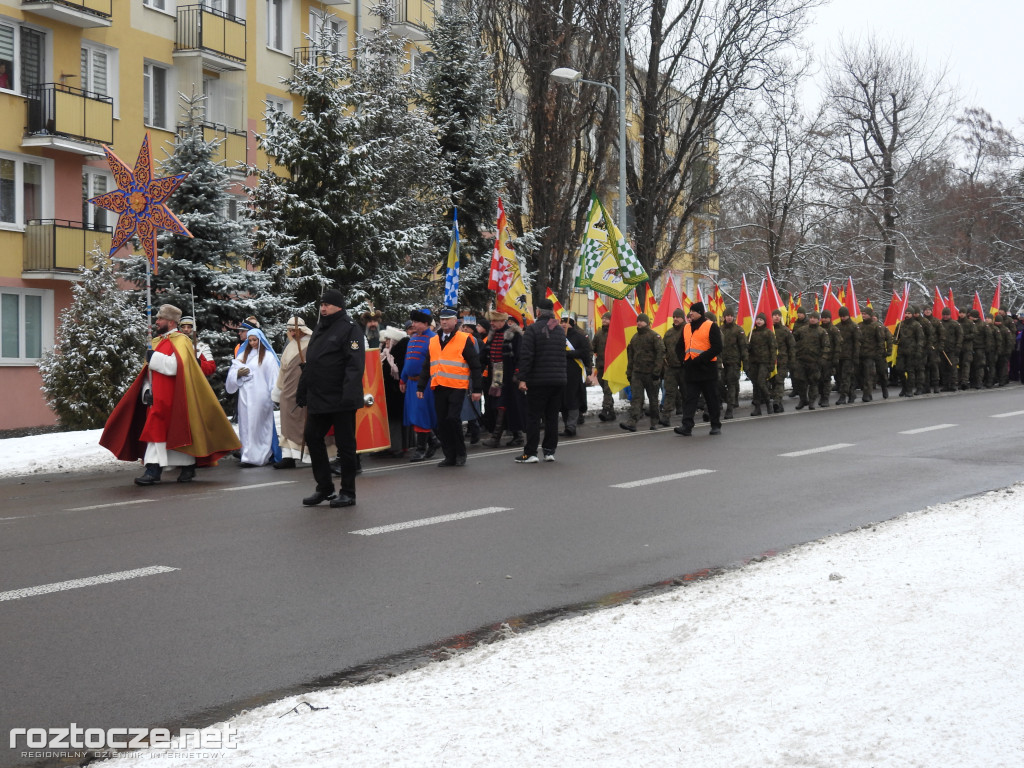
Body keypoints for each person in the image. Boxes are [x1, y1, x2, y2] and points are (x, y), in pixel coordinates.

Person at [100, 304, 239, 485]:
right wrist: (146, 391)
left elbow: (176, 367)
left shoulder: (182, 341)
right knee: (155, 431)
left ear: (171, 322)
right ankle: (153, 469)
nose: (156, 322)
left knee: (178, 432)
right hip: (157, 398)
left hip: (176, 397)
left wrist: (154, 358)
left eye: (160, 319)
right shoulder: (156, 342)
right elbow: (147, 374)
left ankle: (187, 468)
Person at [297, 289, 365, 508]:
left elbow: (354, 365)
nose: (323, 308)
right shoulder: (321, 327)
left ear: (338, 306)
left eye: (327, 305)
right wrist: (303, 389)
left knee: (345, 446)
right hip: (319, 397)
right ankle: (324, 487)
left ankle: (348, 492)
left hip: (341, 398)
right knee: (312, 437)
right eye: (321, 304)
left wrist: (349, 395)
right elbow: (313, 361)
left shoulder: (350, 328)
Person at [417, 307, 482, 467]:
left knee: (453, 419)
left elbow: (475, 365)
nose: (444, 322)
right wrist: (421, 386)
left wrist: (477, 390)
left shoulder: (464, 339)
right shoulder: (434, 340)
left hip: (457, 386)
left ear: (455, 321)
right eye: (442, 319)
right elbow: (427, 365)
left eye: (448, 319)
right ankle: (449, 456)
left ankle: (460, 453)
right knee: (442, 422)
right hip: (439, 386)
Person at [515, 298, 567, 463]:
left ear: (538, 312)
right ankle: (549, 451)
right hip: (558, 380)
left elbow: (527, 356)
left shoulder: (533, 329)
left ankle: (530, 453)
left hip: (538, 381)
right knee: (551, 417)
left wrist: (522, 378)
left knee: (534, 417)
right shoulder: (559, 329)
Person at [226, 328, 281, 467]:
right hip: (245, 397)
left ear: (260, 340)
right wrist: (238, 373)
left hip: (261, 397)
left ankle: (262, 456)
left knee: (259, 426)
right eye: (250, 340)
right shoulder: (243, 355)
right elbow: (232, 372)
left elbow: (274, 376)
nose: (252, 343)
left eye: (254, 340)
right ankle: (248, 455)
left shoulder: (268, 356)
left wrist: (274, 394)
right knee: (246, 427)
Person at [674, 302, 723, 436]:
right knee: (690, 399)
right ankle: (687, 426)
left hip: (707, 368)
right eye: (690, 311)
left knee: (711, 399)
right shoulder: (686, 328)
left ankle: (715, 425)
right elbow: (679, 347)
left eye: (693, 311)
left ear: (700, 313)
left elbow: (717, 347)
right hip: (691, 369)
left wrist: (701, 359)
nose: (690, 314)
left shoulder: (711, 326)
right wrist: (684, 360)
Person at [271, 317, 313, 469]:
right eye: (290, 331)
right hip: (287, 393)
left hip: (303, 391)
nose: (292, 333)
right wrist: (279, 389)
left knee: (303, 423)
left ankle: (309, 455)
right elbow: (283, 370)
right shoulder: (290, 346)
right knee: (287, 424)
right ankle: (288, 456)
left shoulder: (312, 344)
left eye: (294, 330)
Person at [481, 311, 526, 448]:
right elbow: (484, 354)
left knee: (503, 404)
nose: (492, 323)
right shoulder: (492, 334)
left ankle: (496, 437)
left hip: (509, 373)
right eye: (491, 321)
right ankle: (517, 435)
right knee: (500, 404)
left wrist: (518, 374)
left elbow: (520, 355)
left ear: (502, 321)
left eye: (494, 321)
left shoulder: (514, 334)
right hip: (497, 373)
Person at [401, 308, 440, 462]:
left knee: (421, 414)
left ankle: (421, 449)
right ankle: (434, 441)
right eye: (413, 322)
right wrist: (403, 379)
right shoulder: (412, 339)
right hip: (411, 383)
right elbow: (407, 361)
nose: (414, 325)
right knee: (414, 415)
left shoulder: (434, 339)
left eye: (417, 322)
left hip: (425, 383)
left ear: (425, 323)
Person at [621, 313, 665, 432]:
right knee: (636, 398)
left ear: (647, 323)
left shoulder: (654, 336)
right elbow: (630, 357)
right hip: (637, 373)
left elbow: (660, 354)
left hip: (651, 374)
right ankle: (632, 422)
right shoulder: (634, 338)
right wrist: (629, 373)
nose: (639, 323)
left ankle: (654, 422)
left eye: (642, 321)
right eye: (638, 321)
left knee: (653, 399)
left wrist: (657, 372)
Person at [380, 325, 410, 457]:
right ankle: (391, 445)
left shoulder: (398, 354)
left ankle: (398, 447)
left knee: (396, 421)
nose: (386, 342)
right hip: (389, 392)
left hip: (396, 392)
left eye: (388, 340)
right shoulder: (386, 353)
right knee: (391, 421)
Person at [562, 315, 593, 436]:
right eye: (562, 322)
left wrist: (569, 353)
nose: (564, 325)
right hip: (561, 372)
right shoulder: (559, 336)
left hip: (575, 372)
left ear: (572, 324)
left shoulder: (579, 337)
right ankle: (566, 425)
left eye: (567, 323)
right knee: (563, 400)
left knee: (573, 399)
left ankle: (571, 426)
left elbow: (585, 352)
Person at [792, 310, 830, 410]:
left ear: (818, 320)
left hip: (814, 361)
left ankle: (812, 401)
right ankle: (803, 399)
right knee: (800, 381)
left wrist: (823, 359)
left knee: (813, 382)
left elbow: (826, 346)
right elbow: (792, 339)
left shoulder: (822, 332)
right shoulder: (802, 330)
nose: (812, 319)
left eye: (815, 318)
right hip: (801, 360)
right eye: (811, 317)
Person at [746, 312, 777, 417]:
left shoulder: (768, 333)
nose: (758, 321)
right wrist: (748, 346)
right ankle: (757, 407)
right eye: (757, 319)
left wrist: (772, 363)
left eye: (761, 320)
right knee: (755, 384)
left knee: (761, 382)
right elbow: (747, 349)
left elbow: (773, 349)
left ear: (764, 321)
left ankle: (768, 403)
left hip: (764, 362)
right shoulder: (751, 333)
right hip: (754, 362)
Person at [660, 308, 687, 426]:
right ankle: (666, 417)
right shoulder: (669, 333)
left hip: (685, 368)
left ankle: (687, 417)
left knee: (686, 393)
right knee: (670, 392)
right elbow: (663, 348)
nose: (675, 319)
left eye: (678, 317)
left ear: (683, 318)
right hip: (671, 368)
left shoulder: (688, 330)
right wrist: (665, 359)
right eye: (674, 317)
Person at [718, 307, 747, 419]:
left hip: (734, 362)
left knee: (731, 384)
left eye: (731, 315)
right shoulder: (720, 329)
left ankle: (729, 408)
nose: (729, 317)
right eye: (727, 315)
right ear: (724, 317)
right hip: (722, 362)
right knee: (719, 384)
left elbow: (743, 347)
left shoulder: (738, 330)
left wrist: (745, 362)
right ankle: (728, 399)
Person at [591, 311, 616, 422]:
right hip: (601, 365)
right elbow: (593, 347)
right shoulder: (599, 333)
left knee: (607, 389)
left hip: (611, 366)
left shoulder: (615, 332)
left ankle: (605, 410)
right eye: (603, 318)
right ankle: (611, 412)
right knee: (605, 388)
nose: (604, 320)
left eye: (607, 319)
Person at [834, 306, 861, 405]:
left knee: (846, 377)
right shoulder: (837, 327)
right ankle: (851, 393)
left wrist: (856, 356)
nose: (843, 318)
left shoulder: (854, 327)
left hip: (849, 356)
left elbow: (857, 343)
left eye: (844, 316)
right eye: (841, 316)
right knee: (840, 377)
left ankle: (843, 396)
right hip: (840, 355)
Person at [771, 309, 794, 413]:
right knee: (772, 381)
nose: (776, 317)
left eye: (778, 315)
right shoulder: (768, 330)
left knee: (779, 381)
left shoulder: (785, 331)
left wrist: (792, 361)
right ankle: (777, 402)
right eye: (774, 315)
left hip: (782, 360)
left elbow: (792, 347)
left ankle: (777, 401)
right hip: (770, 361)